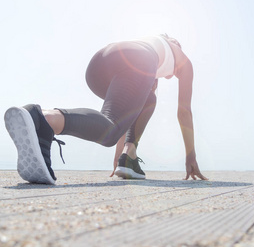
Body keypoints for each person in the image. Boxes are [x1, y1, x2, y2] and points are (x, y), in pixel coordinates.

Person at [4, 34, 208, 184]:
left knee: (146, 101)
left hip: (100, 64)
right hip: (135, 60)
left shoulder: (150, 46)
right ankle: (43, 120)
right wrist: (191, 156)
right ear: (174, 43)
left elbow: (127, 113)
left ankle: (127, 158)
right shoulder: (182, 60)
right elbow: (184, 112)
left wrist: (119, 157)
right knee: (109, 132)